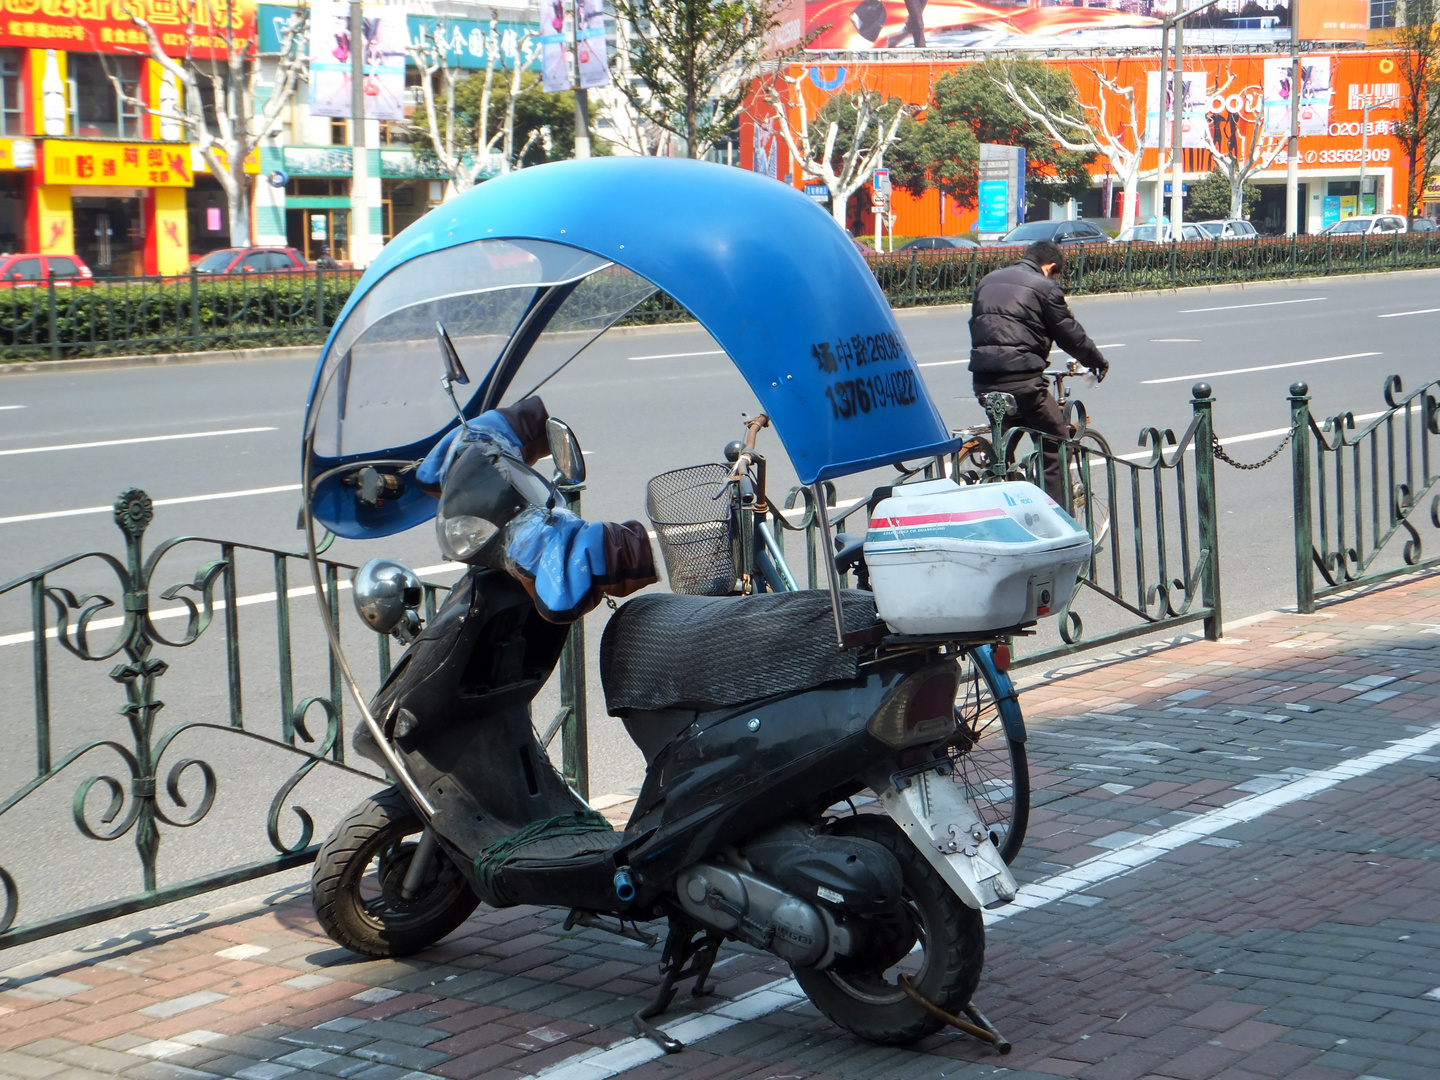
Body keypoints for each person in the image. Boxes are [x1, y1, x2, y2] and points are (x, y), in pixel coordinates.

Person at [969, 239, 1109, 505]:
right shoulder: (1044, 287)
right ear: (1051, 267)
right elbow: (1070, 335)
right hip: (1022, 381)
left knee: (1003, 442)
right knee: (1056, 444)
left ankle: (1002, 496)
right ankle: (1062, 527)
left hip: (983, 380)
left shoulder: (988, 280)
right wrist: (1097, 361)